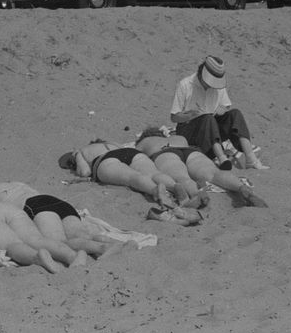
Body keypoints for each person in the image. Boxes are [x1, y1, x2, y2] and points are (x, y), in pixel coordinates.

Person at [0, 175, 127, 259]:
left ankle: (103, 248)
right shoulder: (17, 184)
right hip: (57, 201)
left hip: (35, 205)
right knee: (80, 235)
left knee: (58, 242)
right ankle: (118, 244)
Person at [58, 141, 202, 224]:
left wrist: (77, 155)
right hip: (129, 151)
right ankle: (173, 186)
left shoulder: (83, 151)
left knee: (132, 178)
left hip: (104, 160)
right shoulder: (109, 141)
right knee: (155, 173)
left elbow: (85, 172)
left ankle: (155, 190)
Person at [170, 55, 268, 170]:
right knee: (207, 119)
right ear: (201, 74)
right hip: (190, 132)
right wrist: (190, 115)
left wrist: (223, 109)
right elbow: (174, 117)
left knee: (235, 114)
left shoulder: (218, 86)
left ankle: (251, 158)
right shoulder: (185, 85)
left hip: (211, 130)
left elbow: (226, 105)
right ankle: (222, 159)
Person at [135, 127, 268, 208]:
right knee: (213, 173)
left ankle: (196, 194)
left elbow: (136, 156)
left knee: (182, 177)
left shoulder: (144, 142)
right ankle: (241, 187)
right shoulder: (179, 137)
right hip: (190, 151)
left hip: (164, 152)